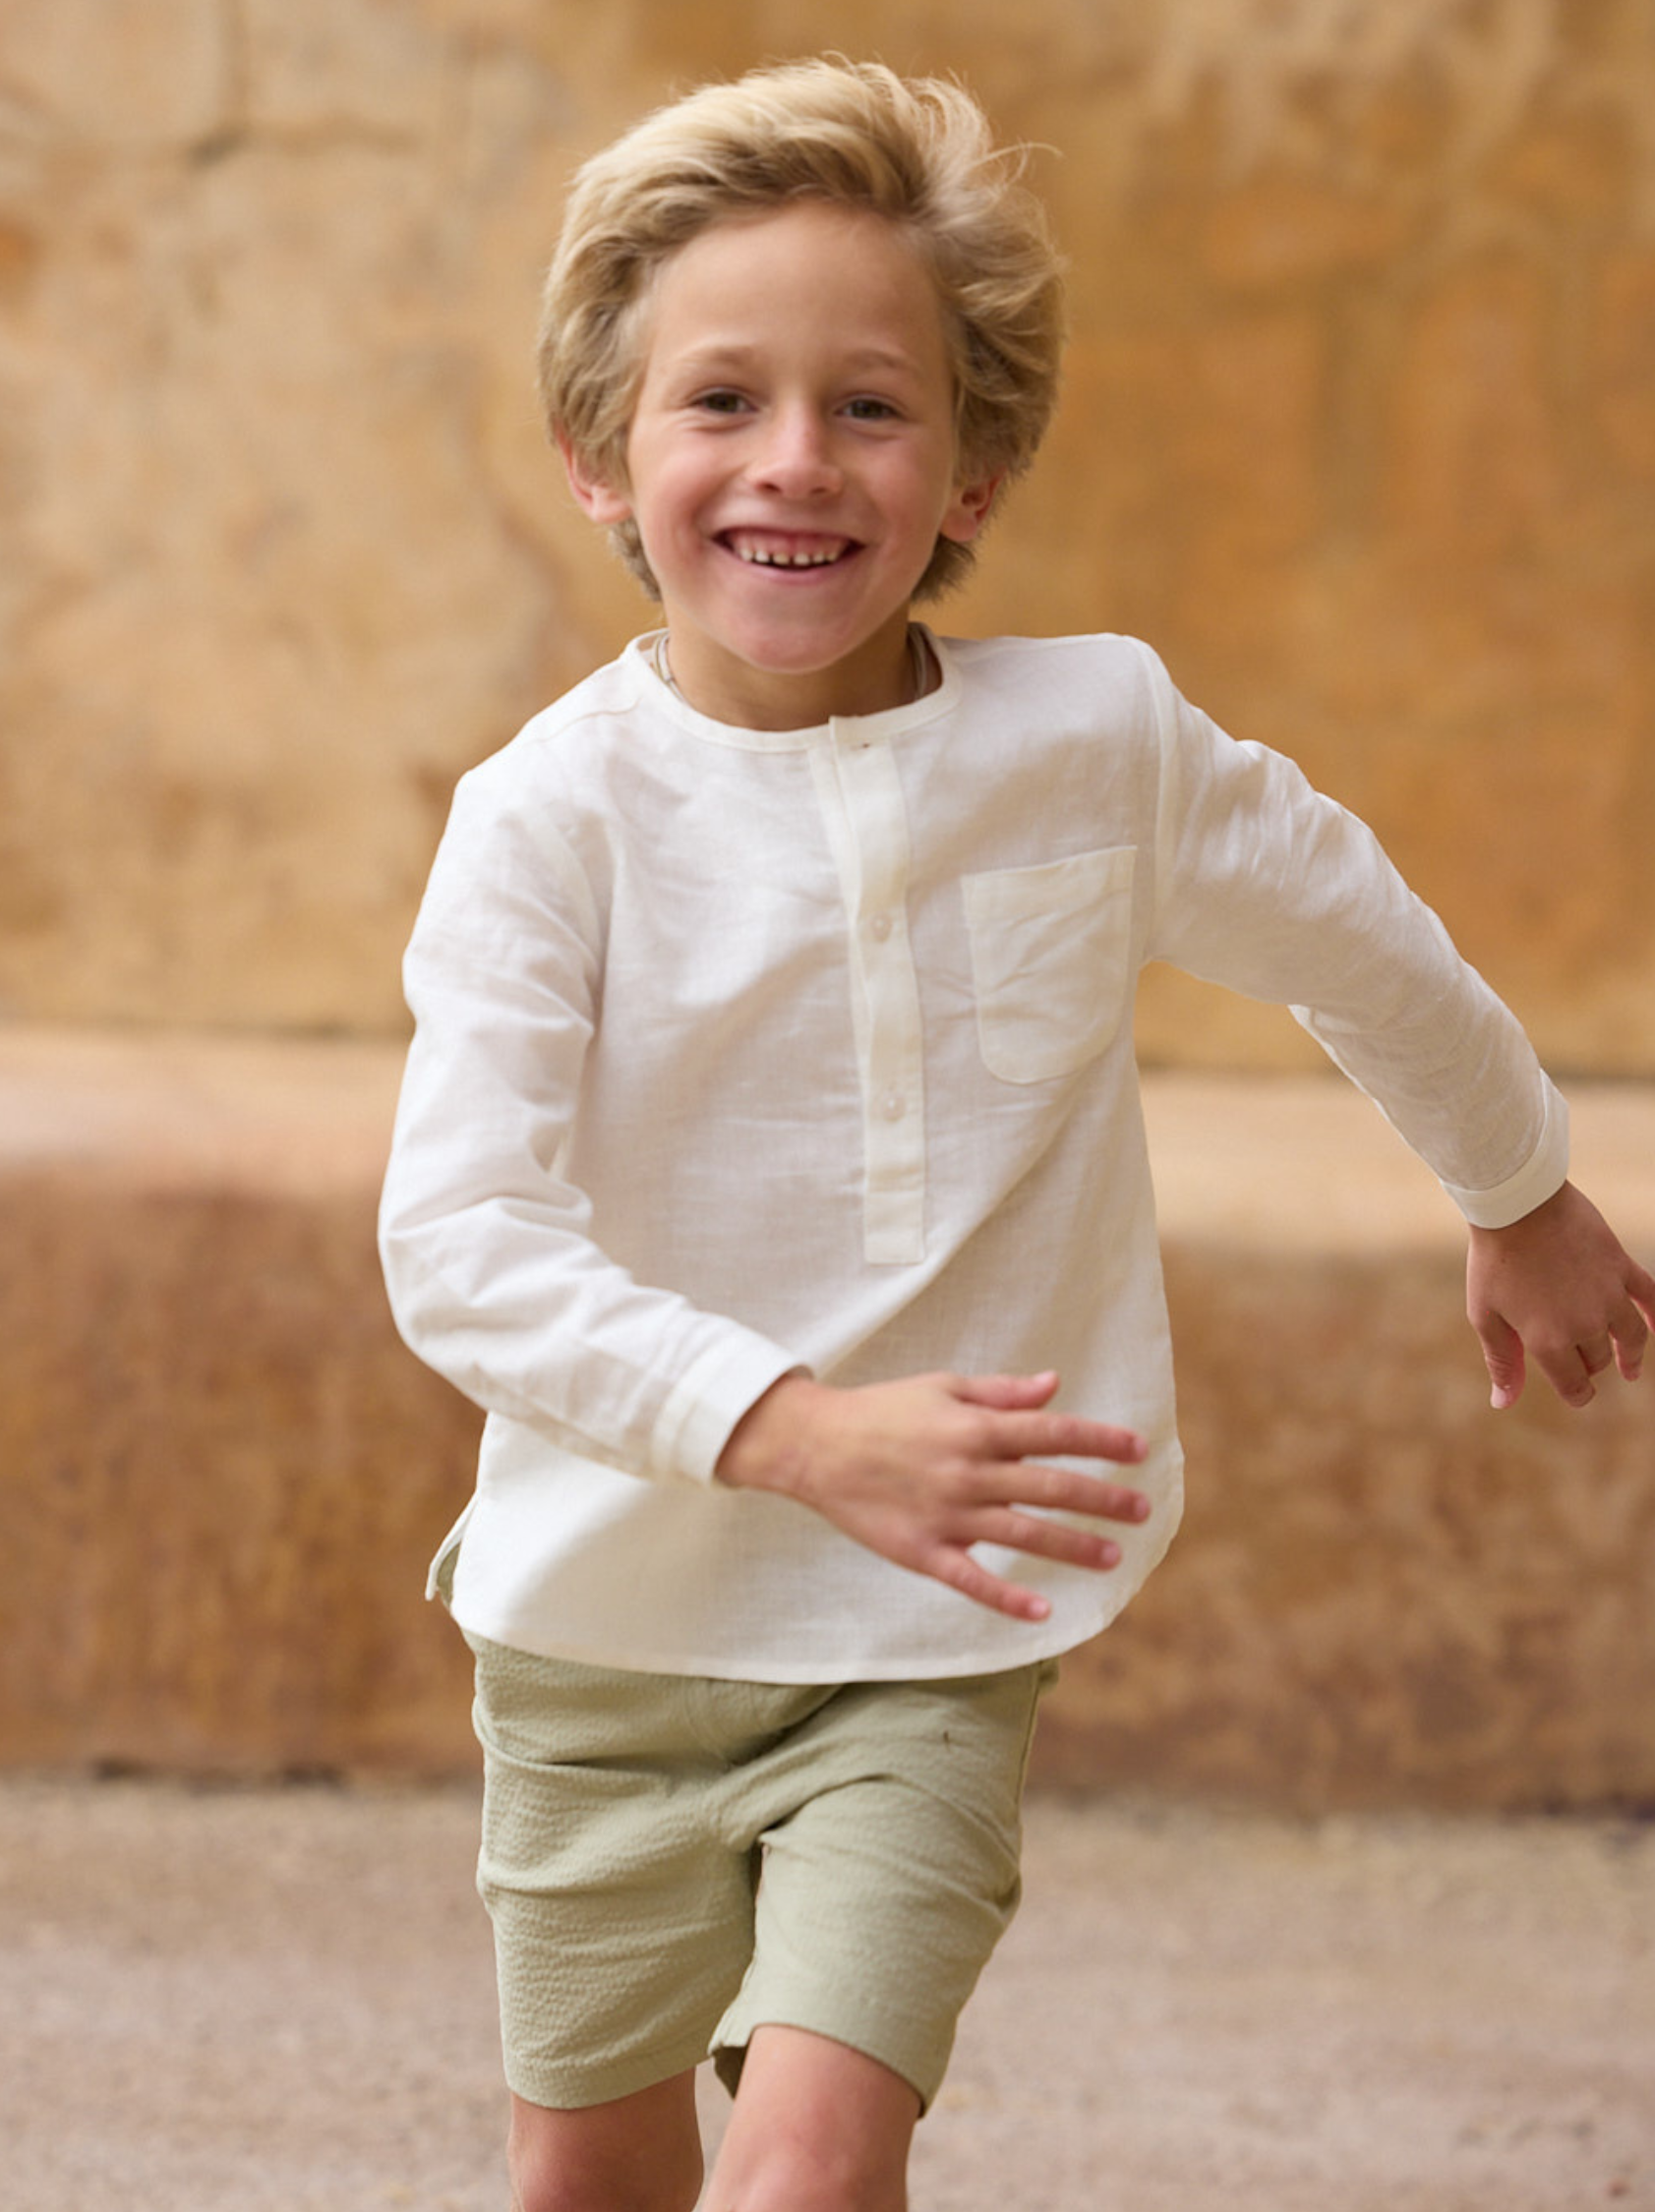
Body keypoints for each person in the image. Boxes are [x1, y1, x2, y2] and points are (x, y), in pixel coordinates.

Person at [378, 56, 1654, 2212]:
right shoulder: (545, 822)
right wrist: (796, 1430)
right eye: (720, 402)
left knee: (804, 2171)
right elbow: (463, 1245)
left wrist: (1515, 1183)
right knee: (589, 2181)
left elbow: (1358, 937)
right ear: (603, 458)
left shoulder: (1101, 749)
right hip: (602, 1633)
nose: (796, 460)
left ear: (973, 470)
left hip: (925, 1641)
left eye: (870, 406)